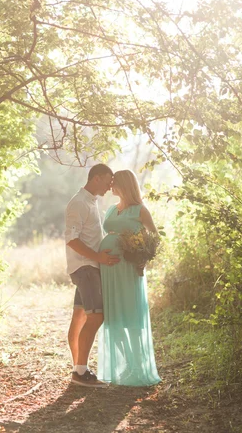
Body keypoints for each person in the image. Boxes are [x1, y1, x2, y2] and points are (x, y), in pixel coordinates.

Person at [97, 169, 161, 386]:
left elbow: (154, 237)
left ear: (124, 185)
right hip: (108, 270)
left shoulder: (140, 210)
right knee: (114, 317)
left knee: (132, 317)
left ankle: (138, 366)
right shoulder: (111, 210)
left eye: (114, 182)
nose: (111, 185)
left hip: (128, 269)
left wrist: (143, 257)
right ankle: (124, 364)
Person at [65, 163, 119, 387]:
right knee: (96, 316)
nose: (110, 186)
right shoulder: (78, 203)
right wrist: (98, 257)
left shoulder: (91, 201)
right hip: (85, 267)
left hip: (89, 267)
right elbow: (72, 239)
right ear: (96, 178)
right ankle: (80, 371)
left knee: (79, 316)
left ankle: (78, 366)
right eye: (108, 181)